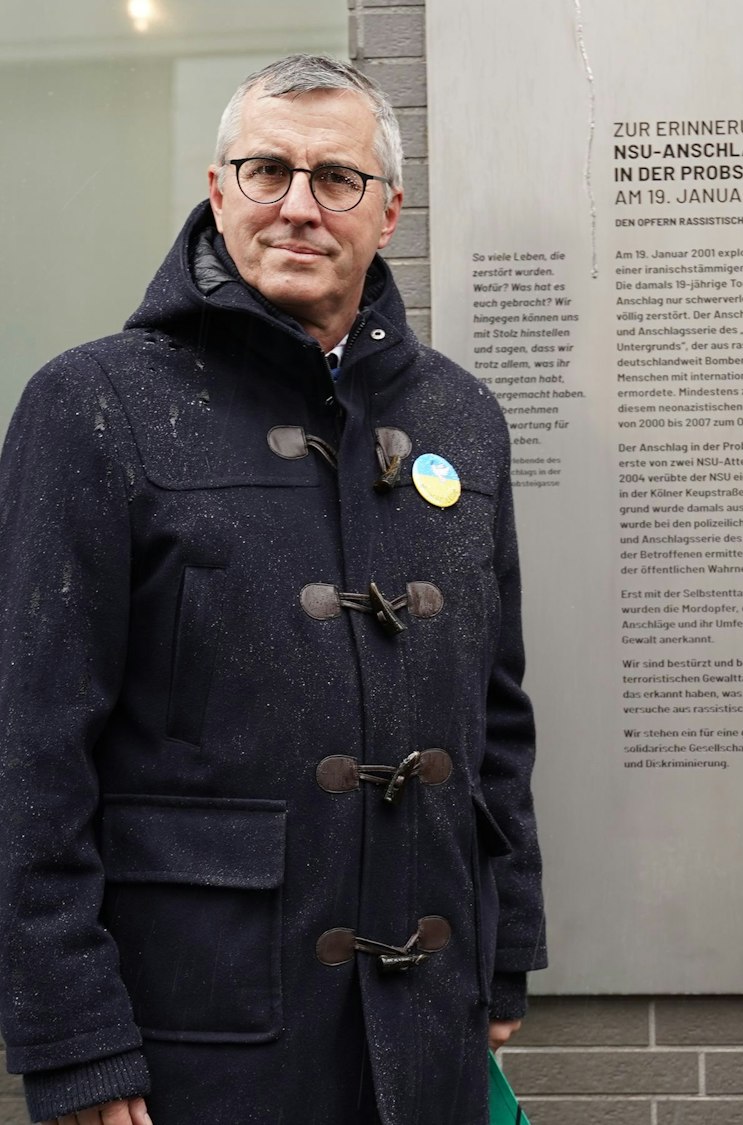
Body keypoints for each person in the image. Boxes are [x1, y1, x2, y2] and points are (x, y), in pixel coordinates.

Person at [0, 55, 545, 1124]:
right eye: (266, 172)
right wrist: (75, 1043)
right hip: (199, 1028)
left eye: (335, 179)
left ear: (387, 211)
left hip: (425, 1009)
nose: (298, 206)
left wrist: (503, 948)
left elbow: (498, 717)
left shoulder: (462, 422)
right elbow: (29, 748)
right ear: (217, 192)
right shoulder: (93, 406)